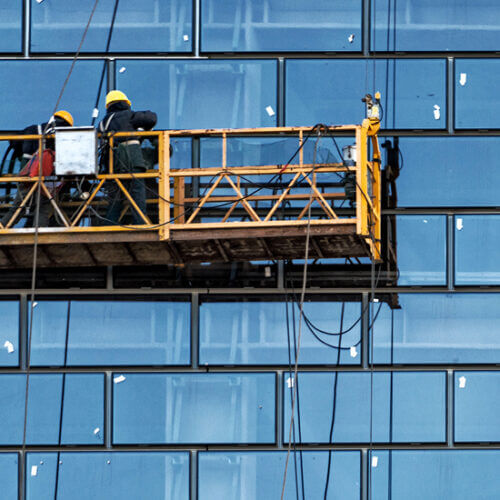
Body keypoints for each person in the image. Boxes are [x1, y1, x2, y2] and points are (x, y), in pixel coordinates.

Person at [1, 110, 74, 228]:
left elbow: (14, 143)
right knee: (43, 208)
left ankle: (3, 227)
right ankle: (39, 235)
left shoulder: (32, 130)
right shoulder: (62, 137)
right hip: (46, 181)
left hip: (28, 177)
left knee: (18, 209)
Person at [99, 90, 157, 225]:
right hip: (133, 158)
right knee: (137, 192)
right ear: (126, 103)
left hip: (114, 163)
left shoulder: (103, 123)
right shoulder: (130, 116)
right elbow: (152, 118)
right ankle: (140, 223)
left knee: (115, 196)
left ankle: (110, 225)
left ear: (108, 106)